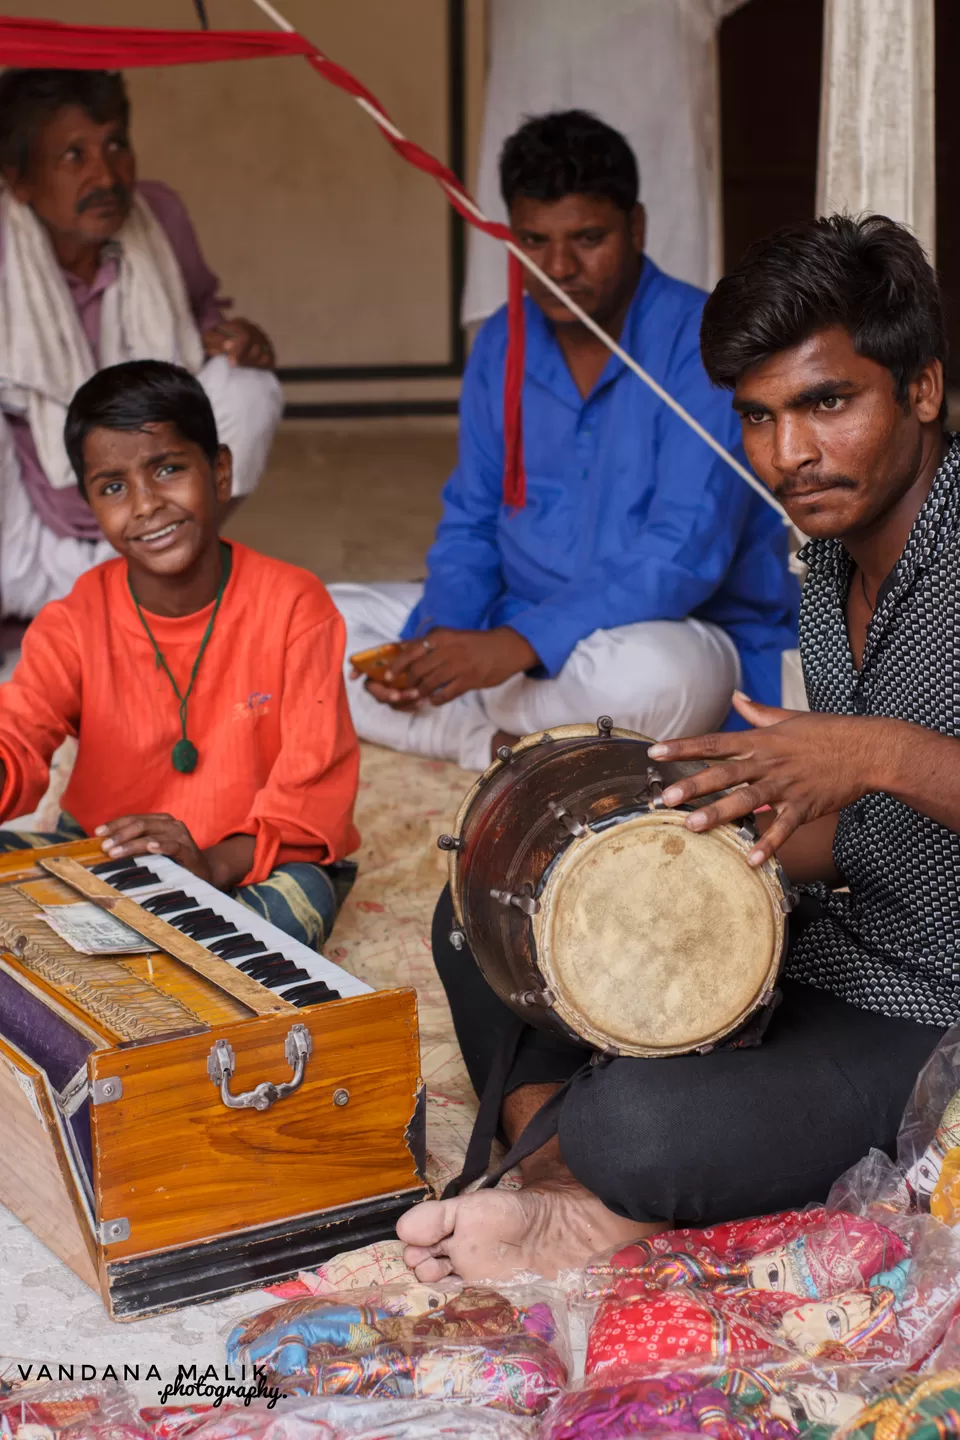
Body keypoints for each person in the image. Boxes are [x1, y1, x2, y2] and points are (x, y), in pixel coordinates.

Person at [397, 213, 960, 1283]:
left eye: (827, 403)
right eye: (759, 416)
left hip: (938, 1006)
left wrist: (877, 752)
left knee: (643, 1128)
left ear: (922, 388)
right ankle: (563, 1155)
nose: (788, 455)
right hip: (838, 942)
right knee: (495, 905)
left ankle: (584, 1165)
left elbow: (883, 777)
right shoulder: (831, 559)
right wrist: (693, 832)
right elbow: (869, 840)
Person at [331, 111, 798, 772]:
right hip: (513, 631)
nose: (557, 267)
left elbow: (683, 554)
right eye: (532, 240)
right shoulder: (502, 341)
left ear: (634, 227)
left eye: (587, 238)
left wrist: (515, 646)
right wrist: (440, 642)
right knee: (313, 623)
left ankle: (493, 725)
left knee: (660, 681)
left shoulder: (705, 340)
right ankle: (498, 744)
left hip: (668, 637)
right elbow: (471, 520)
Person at [0, 360, 358, 948]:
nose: (144, 505)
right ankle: (143, 945)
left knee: (302, 900)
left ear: (219, 472)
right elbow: (20, 732)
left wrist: (208, 867)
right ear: (90, 503)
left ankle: (120, 947)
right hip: (103, 854)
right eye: (113, 486)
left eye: (167, 469)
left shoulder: (295, 606)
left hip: (243, 864)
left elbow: (311, 799)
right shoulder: (77, 617)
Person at [0, 68, 283, 620]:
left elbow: (201, 323)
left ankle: (160, 565)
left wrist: (242, 341)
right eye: (73, 156)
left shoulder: (160, 216)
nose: (105, 175)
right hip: (25, 542)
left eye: (115, 145)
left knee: (247, 387)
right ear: (19, 181)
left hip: (142, 522)